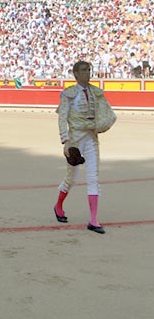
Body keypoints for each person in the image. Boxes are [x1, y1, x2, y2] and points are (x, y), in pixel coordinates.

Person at [54, 61, 113, 234]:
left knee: (93, 177)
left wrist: (98, 125)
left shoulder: (96, 92)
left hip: (91, 138)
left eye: (89, 70)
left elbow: (107, 115)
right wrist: (66, 142)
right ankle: (58, 205)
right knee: (71, 178)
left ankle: (93, 220)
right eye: (84, 70)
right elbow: (62, 118)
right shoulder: (68, 94)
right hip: (75, 140)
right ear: (75, 74)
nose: (88, 73)